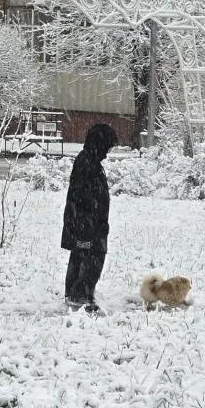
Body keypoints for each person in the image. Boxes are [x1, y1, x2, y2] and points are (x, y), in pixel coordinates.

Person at [61, 124, 118, 313]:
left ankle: (77, 294)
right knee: (90, 258)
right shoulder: (88, 164)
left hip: (87, 225)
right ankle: (80, 296)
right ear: (100, 144)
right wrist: (89, 226)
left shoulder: (89, 161)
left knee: (83, 256)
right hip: (86, 226)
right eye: (108, 147)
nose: (108, 153)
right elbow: (82, 198)